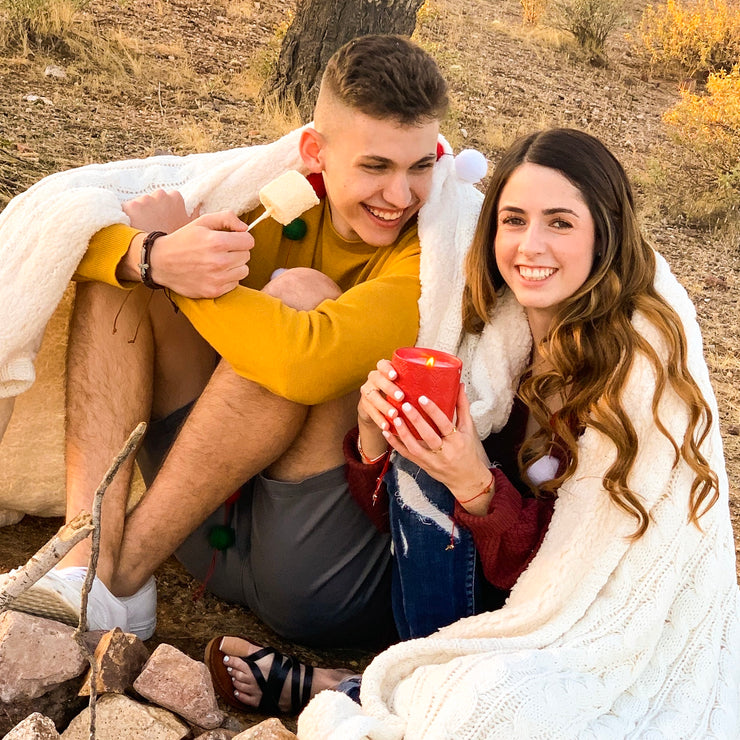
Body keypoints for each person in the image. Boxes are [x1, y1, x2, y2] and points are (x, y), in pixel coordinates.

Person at [211, 129, 740, 737]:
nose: (530, 245)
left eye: (560, 223)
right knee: (424, 464)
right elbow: (409, 520)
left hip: (560, 617)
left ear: (604, 235)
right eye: (514, 219)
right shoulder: (489, 339)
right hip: (467, 597)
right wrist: (374, 439)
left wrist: (475, 483)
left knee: (498, 711)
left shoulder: (636, 376)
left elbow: (580, 580)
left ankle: (356, 688)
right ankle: (387, 683)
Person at [0, 34, 476, 675]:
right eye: (375, 166)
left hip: (310, 578)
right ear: (316, 153)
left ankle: (123, 571)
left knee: (298, 299)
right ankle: (90, 565)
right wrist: (155, 256)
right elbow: (72, 232)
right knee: (121, 275)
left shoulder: (432, 247)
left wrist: (177, 272)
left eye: (421, 164)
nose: (401, 194)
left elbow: (305, 361)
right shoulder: (269, 197)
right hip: (197, 525)